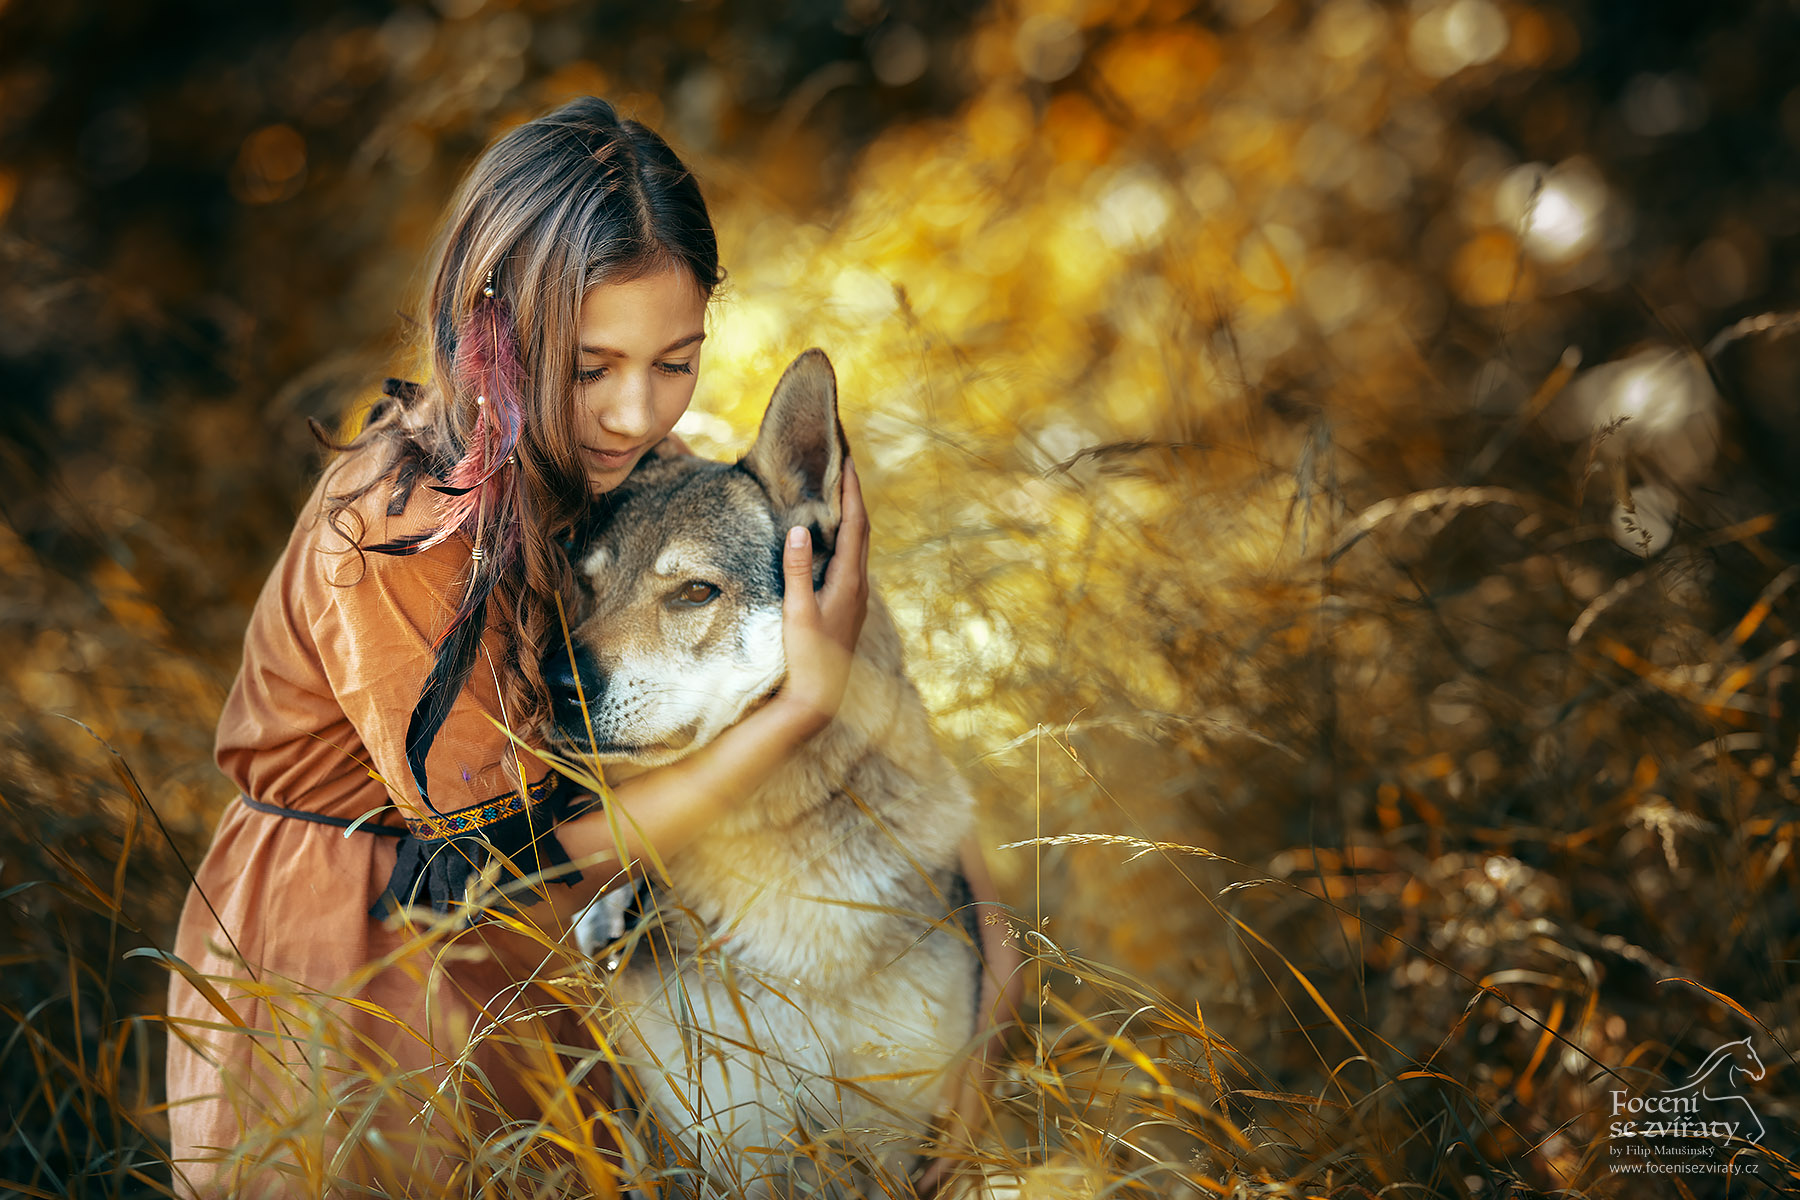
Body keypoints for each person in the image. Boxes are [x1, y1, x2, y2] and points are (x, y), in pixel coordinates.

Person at [163, 96, 1014, 1198]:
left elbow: (892, 732)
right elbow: (500, 864)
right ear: (493, 329)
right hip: (351, 966)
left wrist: (994, 980)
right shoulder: (400, 523)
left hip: (540, 983)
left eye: (675, 361)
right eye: (589, 366)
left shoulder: (657, 475)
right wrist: (797, 708)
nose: (633, 411)